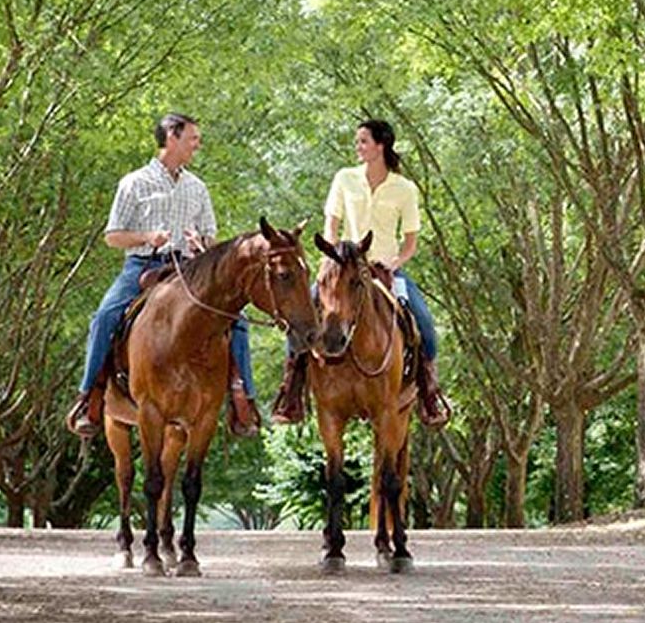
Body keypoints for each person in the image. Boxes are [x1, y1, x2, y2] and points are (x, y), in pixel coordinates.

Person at [64, 113, 264, 439]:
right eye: (192, 139)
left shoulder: (197, 187)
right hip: (143, 267)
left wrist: (202, 244)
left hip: (190, 269)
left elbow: (210, 237)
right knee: (104, 316)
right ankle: (90, 397)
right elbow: (113, 236)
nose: (197, 145)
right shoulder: (134, 183)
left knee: (237, 320)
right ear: (172, 137)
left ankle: (243, 400)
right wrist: (146, 237)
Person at [273, 118, 450, 427]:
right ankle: (291, 389)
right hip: (342, 267)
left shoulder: (404, 188)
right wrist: (329, 257)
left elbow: (410, 243)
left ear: (381, 146)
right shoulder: (344, 178)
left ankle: (429, 392)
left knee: (424, 322)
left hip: (384, 269)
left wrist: (395, 263)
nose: (358, 146)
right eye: (357, 141)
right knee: (302, 315)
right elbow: (332, 224)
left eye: (363, 141)